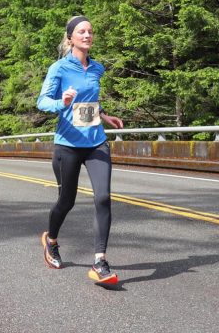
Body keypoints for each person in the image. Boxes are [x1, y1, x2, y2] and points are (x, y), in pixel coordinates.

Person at [36, 15, 125, 286]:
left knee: (103, 198)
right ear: (70, 37)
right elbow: (42, 101)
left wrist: (104, 115)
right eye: (81, 32)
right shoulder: (60, 68)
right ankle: (51, 239)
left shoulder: (97, 68)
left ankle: (100, 260)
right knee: (67, 200)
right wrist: (61, 102)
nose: (87, 35)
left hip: (96, 140)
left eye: (90, 31)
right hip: (68, 144)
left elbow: (89, 103)